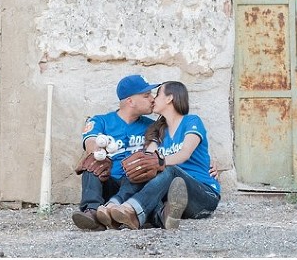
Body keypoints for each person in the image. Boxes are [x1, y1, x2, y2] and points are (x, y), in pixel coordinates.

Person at [104, 81, 221, 230]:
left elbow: (185, 153)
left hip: (203, 195)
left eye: (157, 94)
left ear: (169, 98)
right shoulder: (159, 131)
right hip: (176, 198)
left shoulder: (191, 121)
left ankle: (132, 209)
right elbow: (148, 160)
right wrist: (144, 165)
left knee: (168, 170)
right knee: (143, 171)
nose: (153, 99)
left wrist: (160, 162)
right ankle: (113, 206)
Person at [71, 74, 159, 231]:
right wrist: (97, 152)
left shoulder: (153, 126)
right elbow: (90, 140)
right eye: (146, 95)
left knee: (142, 168)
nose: (152, 99)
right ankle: (92, 213)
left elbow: (174, 148)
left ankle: (129, 214)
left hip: (135, 185)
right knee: (91, 164)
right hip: (108, 181)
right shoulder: (101, 121)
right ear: (130, 101)